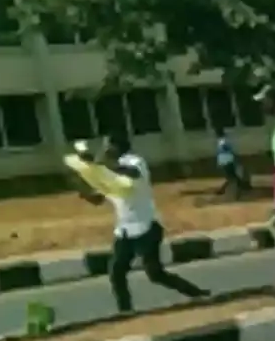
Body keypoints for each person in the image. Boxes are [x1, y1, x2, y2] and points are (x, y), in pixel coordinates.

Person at [79, 132, 211, 315]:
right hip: (124, 230)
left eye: (108, 145)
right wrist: (84, 189)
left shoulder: (135, 162)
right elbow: (98, 199)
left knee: (155, 274)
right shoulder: (110, 173)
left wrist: (101, 164)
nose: (105, 149)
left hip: (146, 227)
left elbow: (132, 173)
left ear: (117, 147)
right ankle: (125, 311)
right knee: (116, 271)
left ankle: (197, 294)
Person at [214, 126, 247, 199]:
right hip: (227, 161)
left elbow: (225, 151)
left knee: (231, 177)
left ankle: (237, 190)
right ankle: (242, 187)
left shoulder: (222, 141)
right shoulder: (223, 140)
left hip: (227, 161)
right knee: (232, 177)